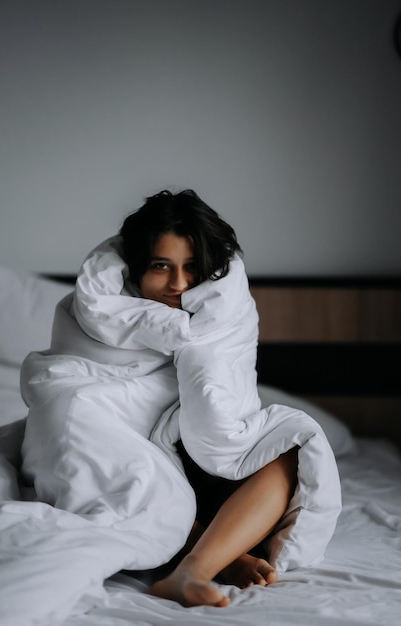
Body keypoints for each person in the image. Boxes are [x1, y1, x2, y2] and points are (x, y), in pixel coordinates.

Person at [119, 189, 298, 607]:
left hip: (215, 475)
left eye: (193, 268)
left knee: (290, 446)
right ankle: (219, 557)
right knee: (119, 455)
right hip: (142, 474)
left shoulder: (225, 320)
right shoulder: (103, 325)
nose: (179, 285)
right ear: (135, 271)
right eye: (161, 266)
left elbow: (229, 399)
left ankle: (193, 567)